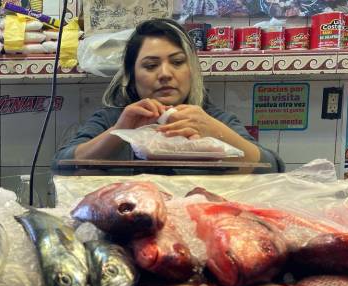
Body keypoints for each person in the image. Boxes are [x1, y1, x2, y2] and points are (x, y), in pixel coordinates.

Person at [54, 18, 283, 174]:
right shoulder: (111, 119)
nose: (165, 74)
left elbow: (273, 167)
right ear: (132, 76)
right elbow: (61, 165)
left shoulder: (214, 120)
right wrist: (119, 131)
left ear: (191, 70)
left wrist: (215, 132)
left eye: (177, 62)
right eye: (151, 65)